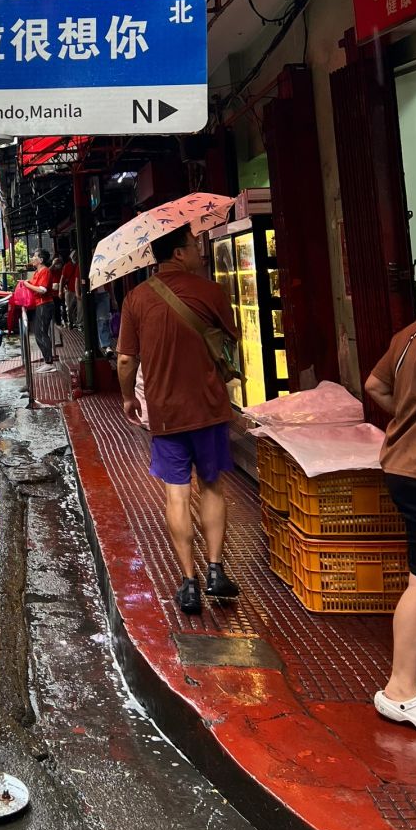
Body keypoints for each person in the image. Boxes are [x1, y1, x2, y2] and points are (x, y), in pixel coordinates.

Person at [116, 224, 240, 615]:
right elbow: (232, 337)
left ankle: (188, 583)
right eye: (195, 246)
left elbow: (124, 359)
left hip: (165, 413)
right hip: (208, 407)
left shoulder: (135, 298)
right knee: (212, 485)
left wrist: (127, 399)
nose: (201, 253)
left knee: (176, 494)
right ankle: (216, 570)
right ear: (179, 253)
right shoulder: (211, 291)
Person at [366, 313, 416, 734]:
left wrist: (409, 417)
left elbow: (375, 385)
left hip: (405, 464)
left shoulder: (413, 332)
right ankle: (401, 690)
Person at [21, 248, 56, 365]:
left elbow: (42, 289)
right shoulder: (37, 272)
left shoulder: (45, 271)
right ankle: (47, 360)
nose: (32, 259)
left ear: (40, 260)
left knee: (41, 333)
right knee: (39, 333)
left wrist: (27, 284)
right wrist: (28, 283)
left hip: (44, 304)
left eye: (34, 257)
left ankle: (49, 362)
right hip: (40, 304)